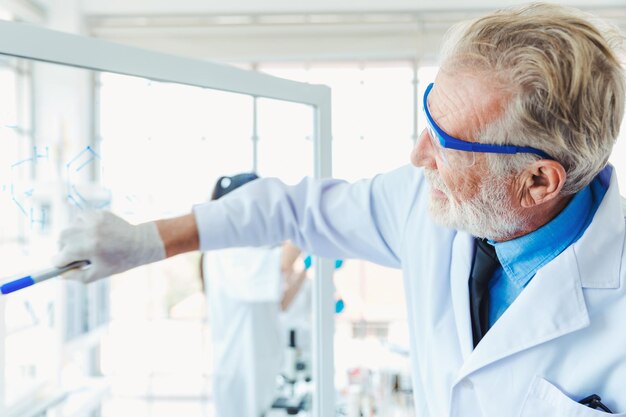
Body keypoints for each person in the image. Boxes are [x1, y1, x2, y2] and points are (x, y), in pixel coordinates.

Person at [55, 3, 626, 416]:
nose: (417, 154)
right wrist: (145, 242)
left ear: (536, 181)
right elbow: (291, 209)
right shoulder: (423, 203)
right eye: (428, 117)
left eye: (447, 142)